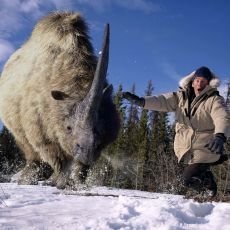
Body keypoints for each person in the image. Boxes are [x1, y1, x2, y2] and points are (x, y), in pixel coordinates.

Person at [122, 66, 230, 198]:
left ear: (208, 83)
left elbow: (222, 117)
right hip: (187, 148)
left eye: (203, 81)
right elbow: (161, 101)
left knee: (186, 180)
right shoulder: (180, 97)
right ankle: (207, 190)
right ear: (192, 81)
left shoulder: (214, 100)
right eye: (197, 80)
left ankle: (208, 193)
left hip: (206, 147)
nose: (199, 84)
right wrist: (142, 102)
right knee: (192, 177)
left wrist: (220, 135)